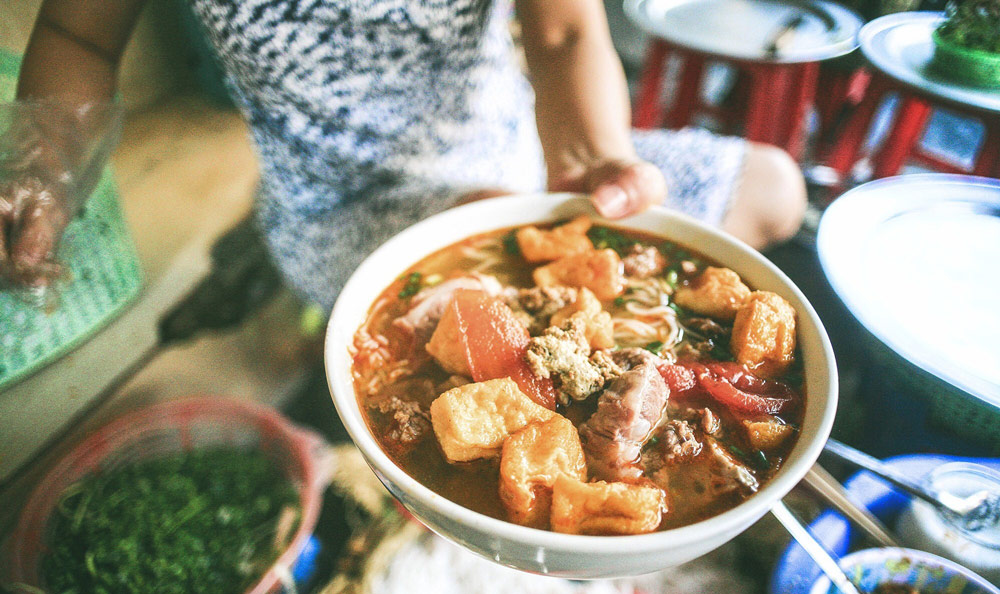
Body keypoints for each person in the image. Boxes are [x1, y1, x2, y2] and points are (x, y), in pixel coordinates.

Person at [2, 0, 806, 310]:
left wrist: (593, 164)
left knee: (775, 188)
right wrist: (43, 168)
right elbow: (77, 34)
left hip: (521, 156)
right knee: (504, 289)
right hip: (337, 207)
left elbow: (564, 33)